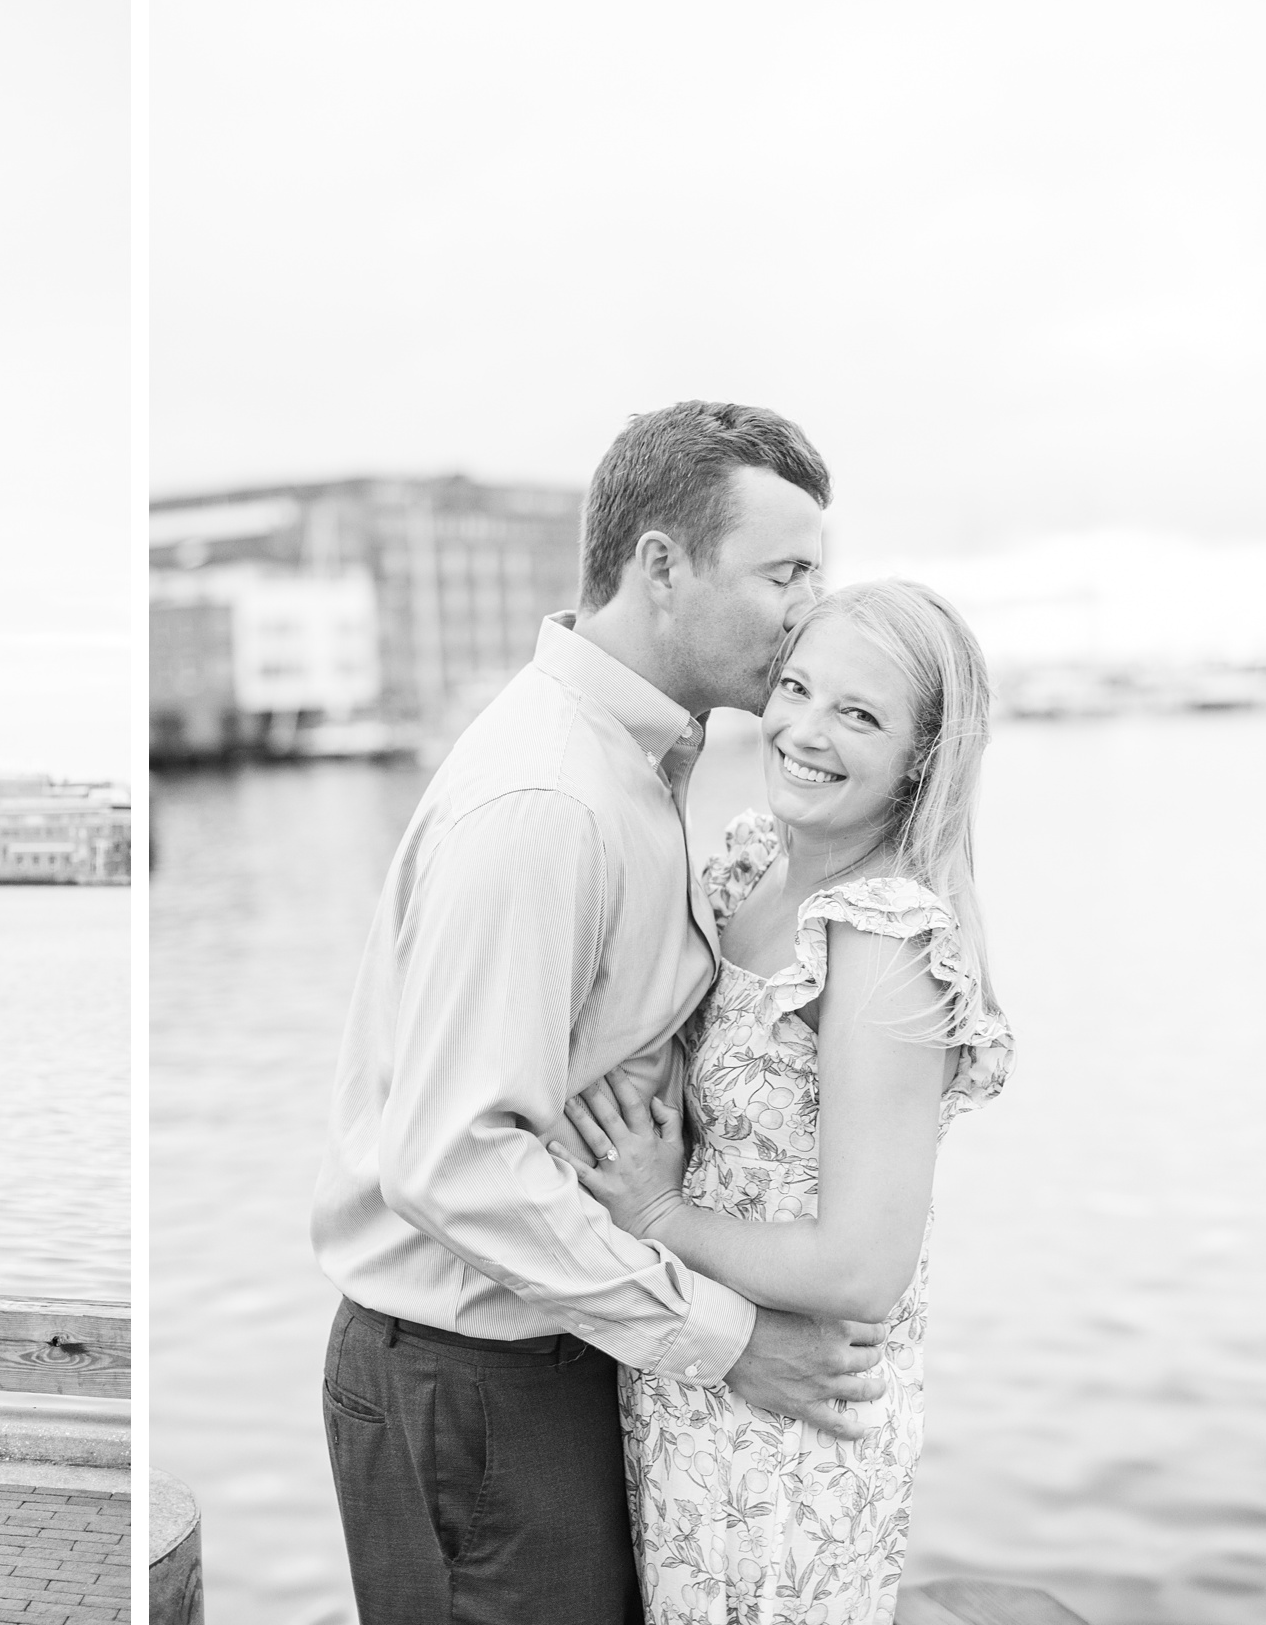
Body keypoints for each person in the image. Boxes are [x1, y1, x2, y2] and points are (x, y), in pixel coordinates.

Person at [309, 402, 887, 1624]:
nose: (807, 612)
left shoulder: (628, 764)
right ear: (660, 564)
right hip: (478, 1377)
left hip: (544, 1352)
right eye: (784, 572)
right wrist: (731, 1339)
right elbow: (452, 1160)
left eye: (817, 576)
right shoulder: (549, 797)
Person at [560, 578, 1012, 1625]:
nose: (806, 730)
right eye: (797, 688)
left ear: (921, 757)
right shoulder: (756, 865)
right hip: (702, 1378)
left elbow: (861, 1266)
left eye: (859, 714)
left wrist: (659, 1216)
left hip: (794, 1428)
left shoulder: (883, 935)